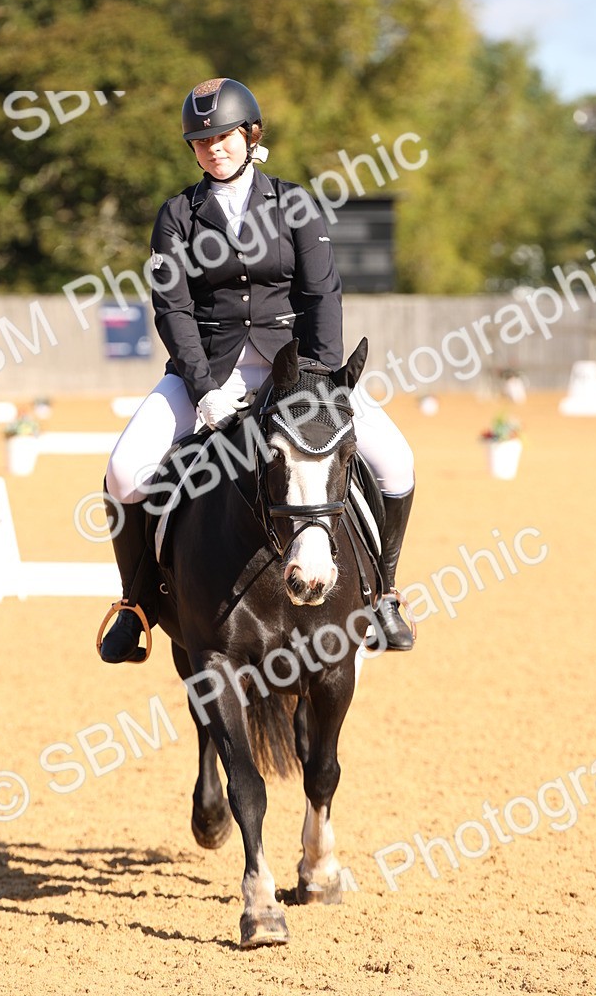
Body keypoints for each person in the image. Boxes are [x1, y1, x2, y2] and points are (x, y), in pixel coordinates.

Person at [102, 78, 415, 663]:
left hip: (296, 372)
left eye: (223, 136)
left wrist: (319, 381)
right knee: (124, 472)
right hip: (207, 370)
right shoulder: (177, 216)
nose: (212, 148)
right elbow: (172, 309)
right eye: (201, 141)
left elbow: (322, 295)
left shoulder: (294, 204)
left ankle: (386, 594)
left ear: (250, 136)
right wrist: (203, 390)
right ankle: (135, 604)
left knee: (396, 461)